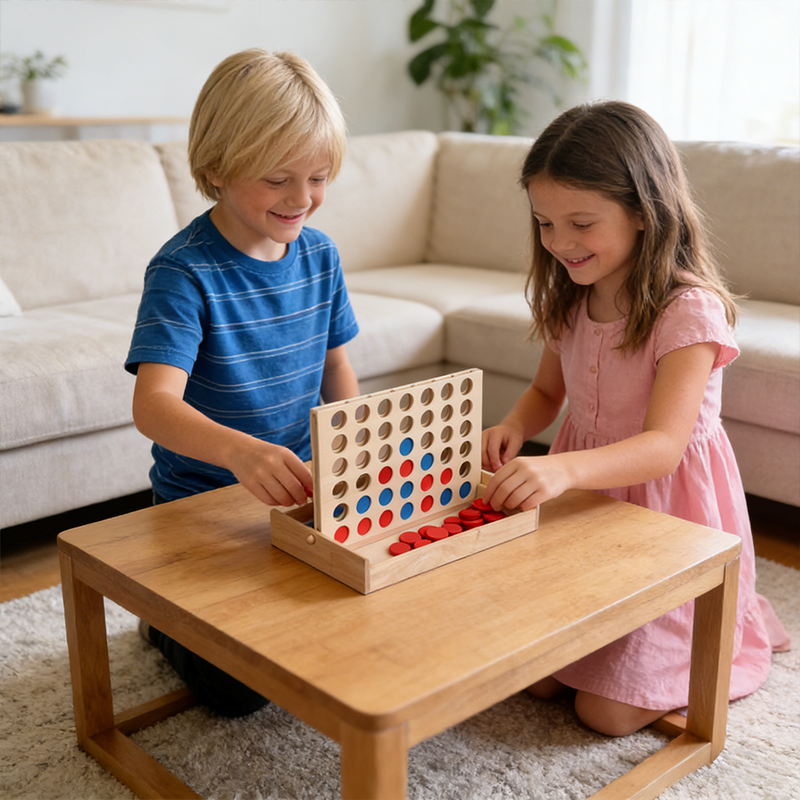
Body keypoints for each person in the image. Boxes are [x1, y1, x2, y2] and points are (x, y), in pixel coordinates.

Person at [481, 100, 790, 737]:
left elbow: (664, 447)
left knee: (606, 711)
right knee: (535, 676)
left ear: (644, 212)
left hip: (666, 517)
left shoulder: (689, 311)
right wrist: (514, 424)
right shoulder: (569, 296)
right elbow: (546, 391)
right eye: (545, 223)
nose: (561, 243)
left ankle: (712, 638)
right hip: (590, 507)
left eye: (582, 223)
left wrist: (560, 468)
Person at [125, 49, 360, 716]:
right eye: (278, 178)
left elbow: (336, 366)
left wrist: (355, 441)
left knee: (368, 613)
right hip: (199, 509)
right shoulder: (183, 271)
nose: (301, 199)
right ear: (218, 170)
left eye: (318, 178)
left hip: (298, 495)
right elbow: (154, 404)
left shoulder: (320, 254)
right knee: (237, 694)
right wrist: (236, 451)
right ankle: (159, 620)